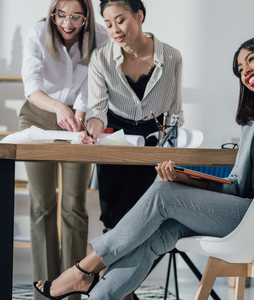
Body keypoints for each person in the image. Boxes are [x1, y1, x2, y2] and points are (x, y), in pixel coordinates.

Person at [34, 36, 254, 300]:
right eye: (240, 68)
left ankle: (86, 267)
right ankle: (99, 294)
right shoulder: (252, 121)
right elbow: (238, 185)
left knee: (163, 195)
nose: (245, 71)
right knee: (165, 224)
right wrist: (186, 179)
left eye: (251, 60)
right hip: (245, 209)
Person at [19, 1, 110, 299]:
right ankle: (44, 288)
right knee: (42, 204)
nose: (67, 23)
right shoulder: (36, 33)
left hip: (78, 119)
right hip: (39, 115)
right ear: (52, 13)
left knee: (74, 206)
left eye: (75, 16)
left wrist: (79, 118)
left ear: (86, 16)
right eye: (61, 15)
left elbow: (94, 85)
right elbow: (32, 87)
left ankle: (70, 288)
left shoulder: (100, 37)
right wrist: (58, 106)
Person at [79, 0, 184, 231]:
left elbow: (174, 111)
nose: (114, 30)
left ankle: (109, 264)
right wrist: (91, 131)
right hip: (114, 135)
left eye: (120, 20)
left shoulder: (171, 57)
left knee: (133, 211)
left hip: (150, 138)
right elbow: (97, 109)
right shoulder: (101, 58)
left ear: (139, 16)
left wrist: (172, 150)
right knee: (110, 213)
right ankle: (107, 265)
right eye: (108, 24)